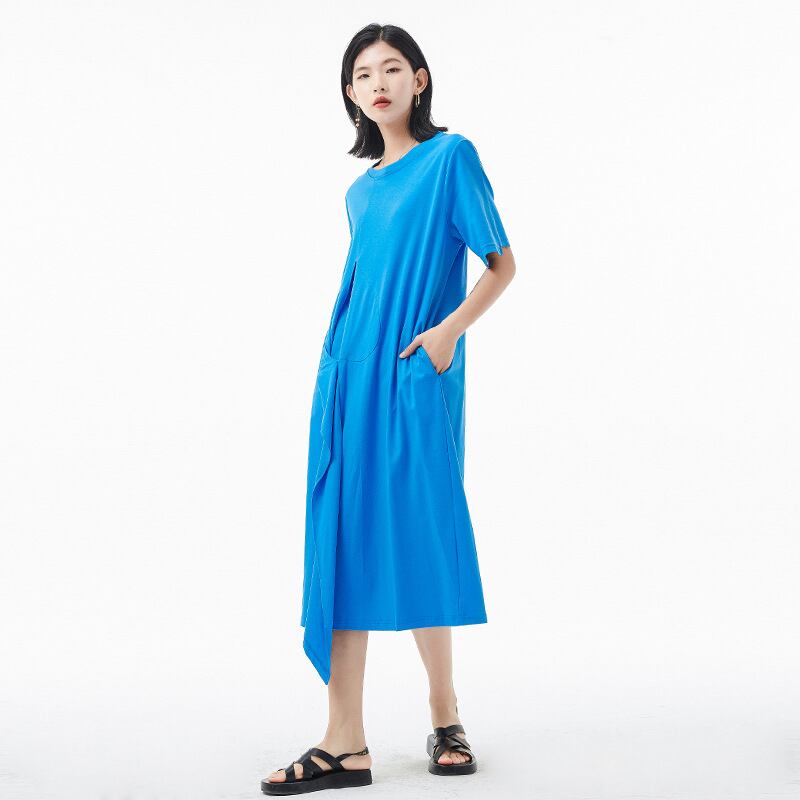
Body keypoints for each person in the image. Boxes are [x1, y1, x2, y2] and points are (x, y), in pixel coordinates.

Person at [262, 22, 516, 795]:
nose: (378, 83)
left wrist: (446, 335)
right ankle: (345, 742)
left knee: (419, 530)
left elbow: (501, 263)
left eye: (393, 68)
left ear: (420, 79)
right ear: (350, 93)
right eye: (364, 74)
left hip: (411, 373)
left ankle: (445, 711)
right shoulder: (360, 189)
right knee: (344, 539)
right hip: (349, 378)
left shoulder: (450, 158)